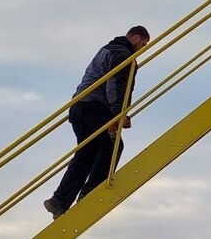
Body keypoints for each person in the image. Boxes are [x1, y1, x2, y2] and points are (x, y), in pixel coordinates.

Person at [44, 25, 151, 219]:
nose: (142, 49)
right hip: (94, 105)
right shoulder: (123, 54)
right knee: (113, 145)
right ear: (135, 38)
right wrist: (119, 115)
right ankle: (91, 193)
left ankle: (59, 201)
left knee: (87, 152)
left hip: (79, 105)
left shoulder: (107, 49)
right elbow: (115, 85)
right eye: (143, 44)